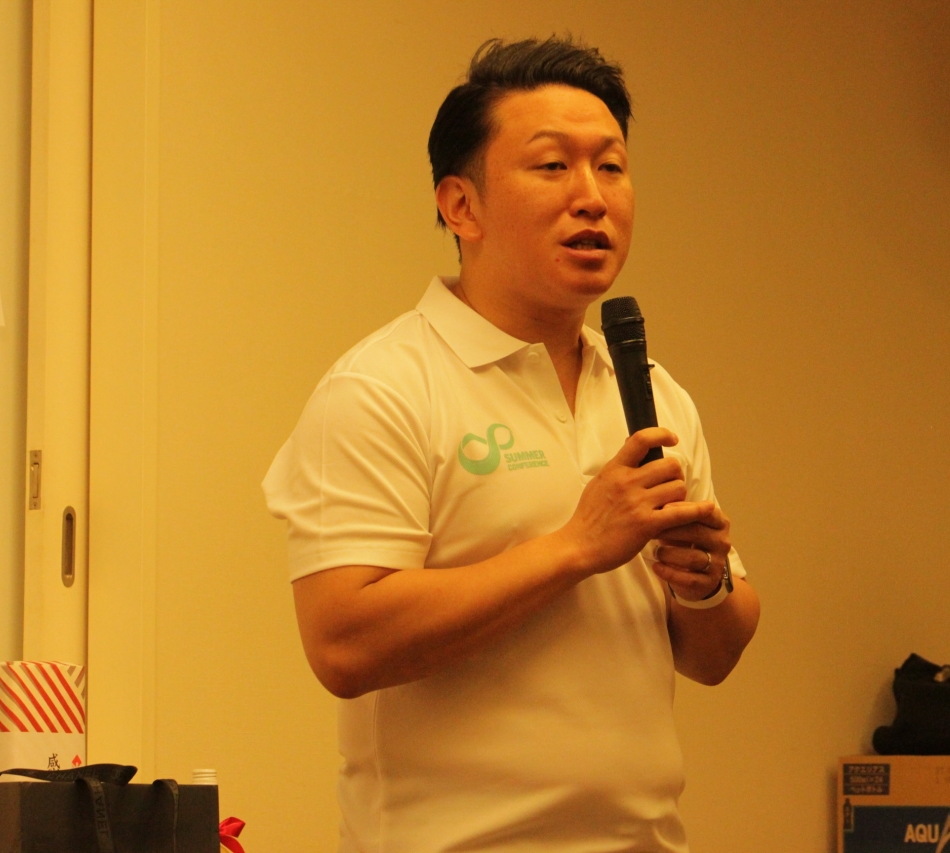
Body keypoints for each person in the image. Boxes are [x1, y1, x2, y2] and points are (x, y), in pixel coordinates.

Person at [263, 36, 760, 853]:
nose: (592, 197)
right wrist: (577, 546)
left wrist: (706, 583)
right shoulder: (383, 386)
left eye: (611, 166)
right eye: (553, 166)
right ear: (462, 207)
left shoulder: (651, 393)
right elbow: (341, 642)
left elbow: (713, 656)